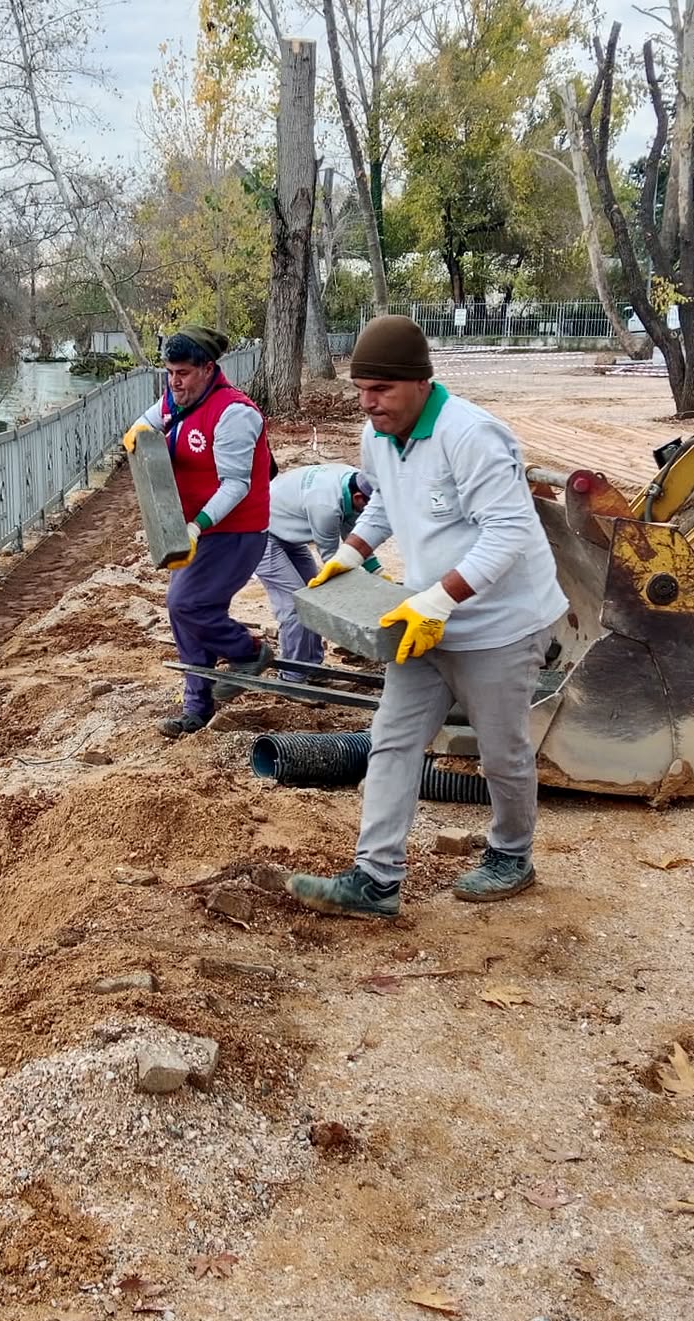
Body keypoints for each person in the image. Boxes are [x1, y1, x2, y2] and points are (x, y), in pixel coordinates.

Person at [286, 315, 568, 912]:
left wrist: (439, 599)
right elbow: (385, 500)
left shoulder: (472, 436)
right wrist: (350, 553)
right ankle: (375, 880)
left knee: (500, 752)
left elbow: (511, 532)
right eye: (361, 390)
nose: (369, 403)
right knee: (392, 739)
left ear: (420, 382)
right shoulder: (378, 435)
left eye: (381, 390)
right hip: (423, 621)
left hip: (502, 623)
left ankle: (511, 854)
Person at [123, 325, 272, 738]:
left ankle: (250, 652)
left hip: (236, 531)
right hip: (192, 530)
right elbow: (146, 426)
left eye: (183, 373)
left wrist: (196, 526)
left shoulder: (234, 414)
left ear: (208, 369)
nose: (174, 382)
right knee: (184, 609)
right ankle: (197, 707)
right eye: (169, 372)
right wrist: (138, 434)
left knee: (187, 603)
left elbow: (236, 485)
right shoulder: (176, 399)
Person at [255, 462, 381, 676]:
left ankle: (312, 669)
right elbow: (335, 561)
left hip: (286, 529)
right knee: (295, 604)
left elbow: (355, 535)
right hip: (261, 534)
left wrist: (378, 573)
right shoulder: (326, 507)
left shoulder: (351, 477)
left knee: (313, 599)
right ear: (360, 498)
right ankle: (293, 677)